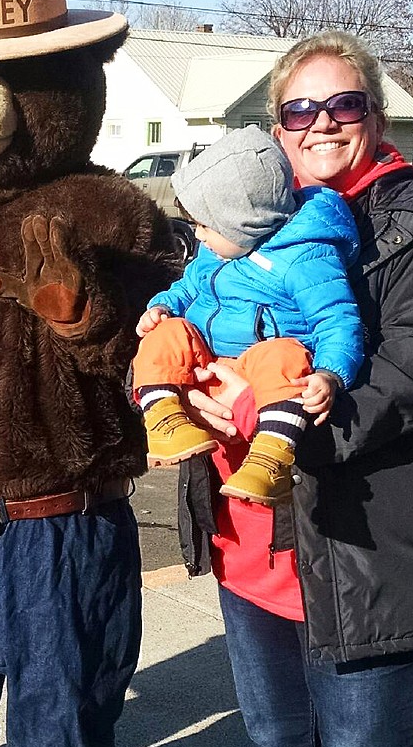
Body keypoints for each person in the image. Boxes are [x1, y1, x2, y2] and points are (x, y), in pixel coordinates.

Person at [178, 32, 413, 747]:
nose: (320, 124)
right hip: (254, 547)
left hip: (371, 549)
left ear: (374, 117)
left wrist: (272, 412)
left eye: (342, 105)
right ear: (275, 128)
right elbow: (198, 319)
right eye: (299, 110)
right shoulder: (245, 220)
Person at [132, 125, 363, 505]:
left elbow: (337, 319)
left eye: (206, 225)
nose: (200, 236)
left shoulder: (303, 257)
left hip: (262, 372)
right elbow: (188, 287)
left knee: (283, 356)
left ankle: (272, 457)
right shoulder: (216, 251)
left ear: (246, 221)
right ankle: (164, 420)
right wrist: (162, 306)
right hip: (208, 364)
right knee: (166, 333)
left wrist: (330, 373)